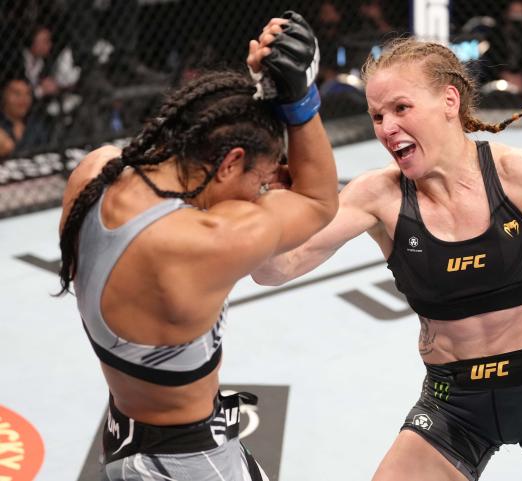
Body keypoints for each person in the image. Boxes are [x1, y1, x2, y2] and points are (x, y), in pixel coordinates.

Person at [252, 37, 522, 481]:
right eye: (377, 115)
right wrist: (259, 203)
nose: (386, 127)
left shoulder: (517, 172)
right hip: (452, 409)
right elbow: (274, 269)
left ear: (449, 101)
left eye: (401, 108)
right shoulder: (376, 196)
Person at [56, 11, 338, 480]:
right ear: (230, 162)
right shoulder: (205, 242)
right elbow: (317, 199)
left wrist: (262, 94)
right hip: (189, 464)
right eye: (262, 182)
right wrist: (300, 102)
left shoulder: (95, 173)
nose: (263, 195)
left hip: (126, 438)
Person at [0, 75, 48, 158]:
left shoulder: (36, 124)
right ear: (4, 95)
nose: (23, 100)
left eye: (27, 94)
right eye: (17, 94)